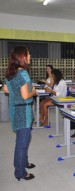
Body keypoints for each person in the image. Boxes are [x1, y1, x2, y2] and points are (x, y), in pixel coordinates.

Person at [3, 46, 36, 181]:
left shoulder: (11, 73)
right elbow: (25, 96)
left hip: (16, 110)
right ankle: (20, 172)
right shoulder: (23, 73)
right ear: (23, 57)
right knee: (22, 142)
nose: (30, 56)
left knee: (24, 139)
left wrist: (17, 93)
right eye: (28, 54)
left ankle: (24, 162)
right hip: (23, 111)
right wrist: (34, 91)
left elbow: (6, 89)